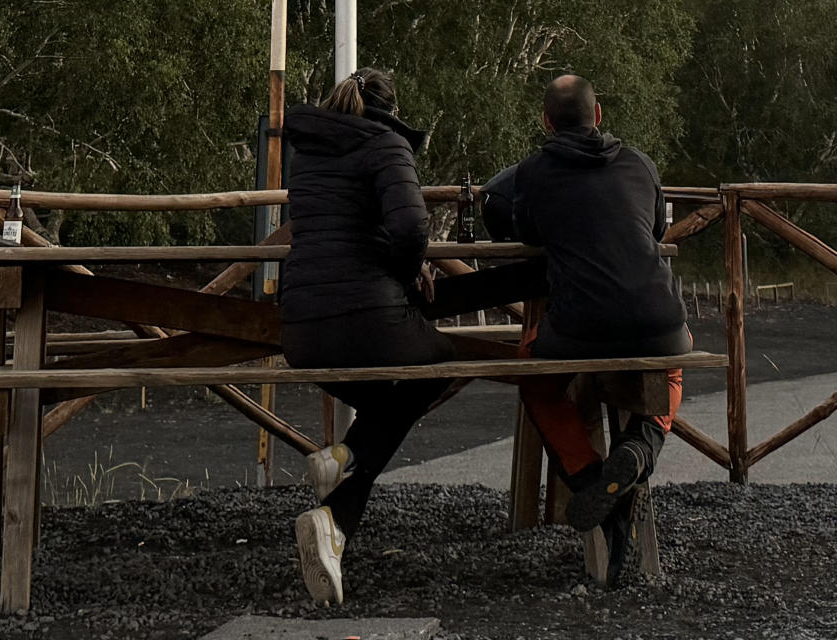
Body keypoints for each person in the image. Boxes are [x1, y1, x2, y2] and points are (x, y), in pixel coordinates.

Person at [484, 72, 691, 575]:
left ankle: (592, 480)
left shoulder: (534, 172)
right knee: (672, 369)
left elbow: (527, 232)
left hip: (579, 324)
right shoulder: (641, 164)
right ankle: (640, 446)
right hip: (659, 321)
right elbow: (657, 228)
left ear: (546, 122)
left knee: (535, 380)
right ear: (598, 115)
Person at [279, 66, 455, 606]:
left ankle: (337, 512)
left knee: (388, 401)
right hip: (367, 318)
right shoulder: (386, 144)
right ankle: (342, 468)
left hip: (302, 330)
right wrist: (410, 274)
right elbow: (410, 229)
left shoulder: (307, 152)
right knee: (443, 367)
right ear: (389, 108)